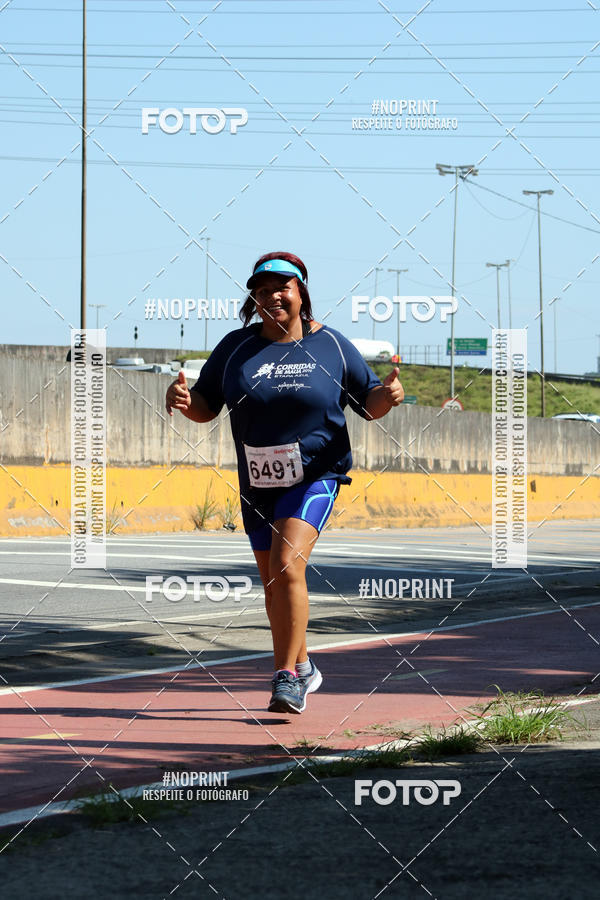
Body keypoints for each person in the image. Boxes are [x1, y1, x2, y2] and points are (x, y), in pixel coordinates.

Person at [166, 251, 404, 714]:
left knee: (287, 567)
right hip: (257, 480)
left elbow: (368, 403)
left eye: (282, 287)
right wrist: (182, 399)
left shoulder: (331, 345)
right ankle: (305, 666)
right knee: (275, 586)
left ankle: (286, 678)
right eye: (261, 289)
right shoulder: (236, 348)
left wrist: (388, 395)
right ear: (252, 298)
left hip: (316, 473)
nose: (271, 296)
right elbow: (205, 407)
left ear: (301, 293)